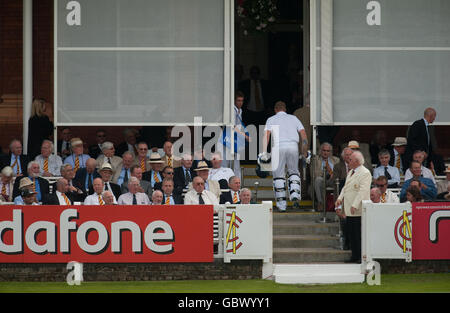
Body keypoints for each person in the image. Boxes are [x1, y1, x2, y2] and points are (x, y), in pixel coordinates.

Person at [262, 101, 307, 212]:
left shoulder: (271, 119)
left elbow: (266, 136)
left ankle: (282, 205)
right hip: (293, 146)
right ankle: (295, 195)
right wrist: (304, 151)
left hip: (278, 146)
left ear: (275, 110)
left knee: (278, 175)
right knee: (294, 172)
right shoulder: (294, 118)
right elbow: (303, 135)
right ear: (285, 109)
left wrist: (264, 153)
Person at [335, 151, 372, 263]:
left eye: (350, 160)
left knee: (358, 234)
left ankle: (361, 256)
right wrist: (340, 198)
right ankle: (354, 256)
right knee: (351, 233)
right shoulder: (351, 172)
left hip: (358, 209)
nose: (348, 161)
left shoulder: (365, 173)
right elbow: (345, 188)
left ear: (357, 161)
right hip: (349, 208)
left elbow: (363, 191)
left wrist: (355, 205)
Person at [219, 91, 251, 179]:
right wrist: (244, 135)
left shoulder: (240, 111)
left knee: (236, 164)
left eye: (242, 101)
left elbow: (239, 125)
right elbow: (232, 125)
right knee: (225, 165)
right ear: (234, 101)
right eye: (238, 101)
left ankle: (237, 185)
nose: (240, 103)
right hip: (226, 140)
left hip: (234, 140)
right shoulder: (231, 110)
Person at [313, 142, 340, 212]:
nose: (325, 153)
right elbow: (315, 174)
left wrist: (331, 173)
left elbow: (339, 173)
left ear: (330, 152)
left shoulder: (336, 160)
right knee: (317, 180)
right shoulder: (316, 160)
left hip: (333, 180)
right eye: (324, 150)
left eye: (328, 151)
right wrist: (326, 171)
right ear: (320, 151)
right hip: (322, 179)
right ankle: (320, 203)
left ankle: (338, 205)